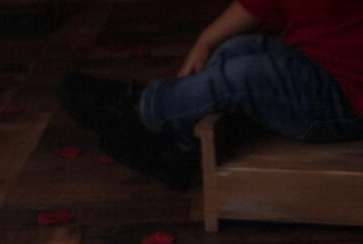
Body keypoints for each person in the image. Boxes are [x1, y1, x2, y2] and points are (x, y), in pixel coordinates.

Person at [59, 0, 363, 190]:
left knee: (245, 76)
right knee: (235, 49)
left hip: (344, 103)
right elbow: (256, 5)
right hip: (313, 66)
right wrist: (204, 42)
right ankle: (183, 150)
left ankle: (139, 108)